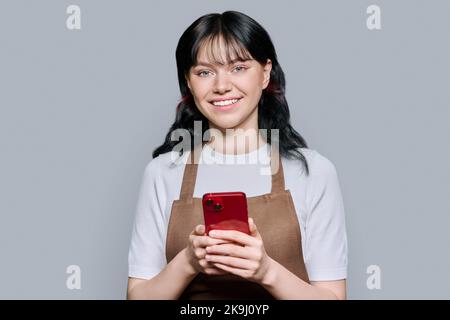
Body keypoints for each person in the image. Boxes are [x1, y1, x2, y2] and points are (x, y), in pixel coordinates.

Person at [127, 10, 348, 300]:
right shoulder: (162, 172)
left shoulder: (314, 172)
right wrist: (189, 261)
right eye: (204, 72)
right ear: (188, 82)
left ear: (266, 72)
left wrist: (266, 271)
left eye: (238, 67)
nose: (221, 86)